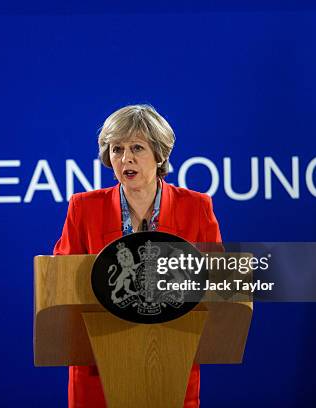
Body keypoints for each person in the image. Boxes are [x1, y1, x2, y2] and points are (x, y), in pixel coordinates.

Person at [53, 104, 222, 408]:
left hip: (172, 358)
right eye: (116, 149)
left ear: (159, 154)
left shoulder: (196, 207)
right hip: (99, 367)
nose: (125, 158)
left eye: (137, 148)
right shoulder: (83, 208)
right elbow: (60, 284)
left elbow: (218, 283)